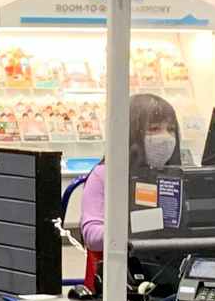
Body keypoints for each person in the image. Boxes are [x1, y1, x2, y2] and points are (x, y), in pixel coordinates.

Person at [76, 91, 183, 254]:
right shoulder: (104, 175)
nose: (165, 137)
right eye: (154, 129)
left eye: (171, 129)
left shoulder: (175, 176)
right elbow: (91, 234)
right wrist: (134, 229)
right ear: (130, 133)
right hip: (120, 269)